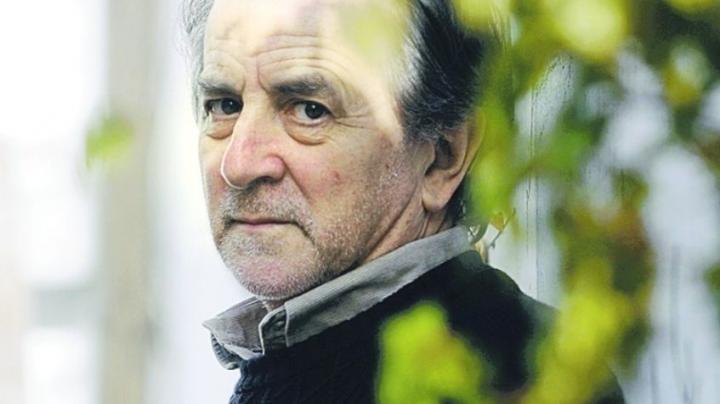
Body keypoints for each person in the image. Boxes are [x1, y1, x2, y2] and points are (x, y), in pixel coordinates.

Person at [182, 0, 624, 402]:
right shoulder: (302, 359)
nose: (238, 165)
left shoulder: (511, 376)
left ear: (443, 158)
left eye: (309, 109)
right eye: (224, 106)